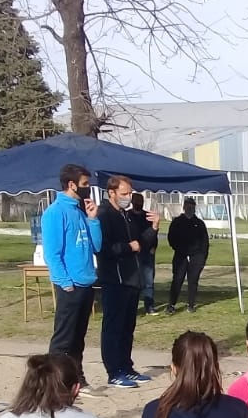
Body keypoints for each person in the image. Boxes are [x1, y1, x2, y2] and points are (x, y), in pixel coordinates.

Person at [43, 163, 102, 387]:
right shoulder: (55, 212)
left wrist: (93, 219)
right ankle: (54, 383)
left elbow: (96, 246)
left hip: (87, 281)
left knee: (78, 338)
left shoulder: (80, 211)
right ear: (72, 184)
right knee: (63, 338)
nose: (88, 188)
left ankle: (76, 378)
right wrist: (64, 281)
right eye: (85, 184)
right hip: (70, 285)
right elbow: (52, 253)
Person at [97, 175, 150, 389]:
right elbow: (103, 248)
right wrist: (128, 247)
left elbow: (140, 242)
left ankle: (126, 366)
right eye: (124, 193)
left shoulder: (126, 215)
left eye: (130, 193)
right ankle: (114, 371)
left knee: (128, 327)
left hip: (132, 278)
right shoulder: (104, 214)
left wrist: (154, 228)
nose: (128, 197)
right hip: (114, 279)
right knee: (113, 327)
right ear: (111, 193)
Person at [167, 197, 209, 314]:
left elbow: (205, 242)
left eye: (192, 206)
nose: (190, 208)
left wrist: (203, 257)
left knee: (193, 280)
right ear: (184, 207)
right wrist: (178, 248)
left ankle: (191, 305)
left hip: (196, 256)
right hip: (181, 255)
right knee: (177, 279)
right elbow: (171, 237)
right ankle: (171, 305)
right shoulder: (177, 222)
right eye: (188, 206)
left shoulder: (199, 223)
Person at [128, 192, 160, 316]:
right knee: (134, 281)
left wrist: (154, 246)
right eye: (136, 201)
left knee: (148, 281)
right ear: (132, 202)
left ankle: (149, 306)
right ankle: (132, 306)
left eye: (140, 201)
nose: (138, 203)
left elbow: (154, 233)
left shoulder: (147, 216)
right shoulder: (128, 215)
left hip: (147, 252)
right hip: (134, 252)